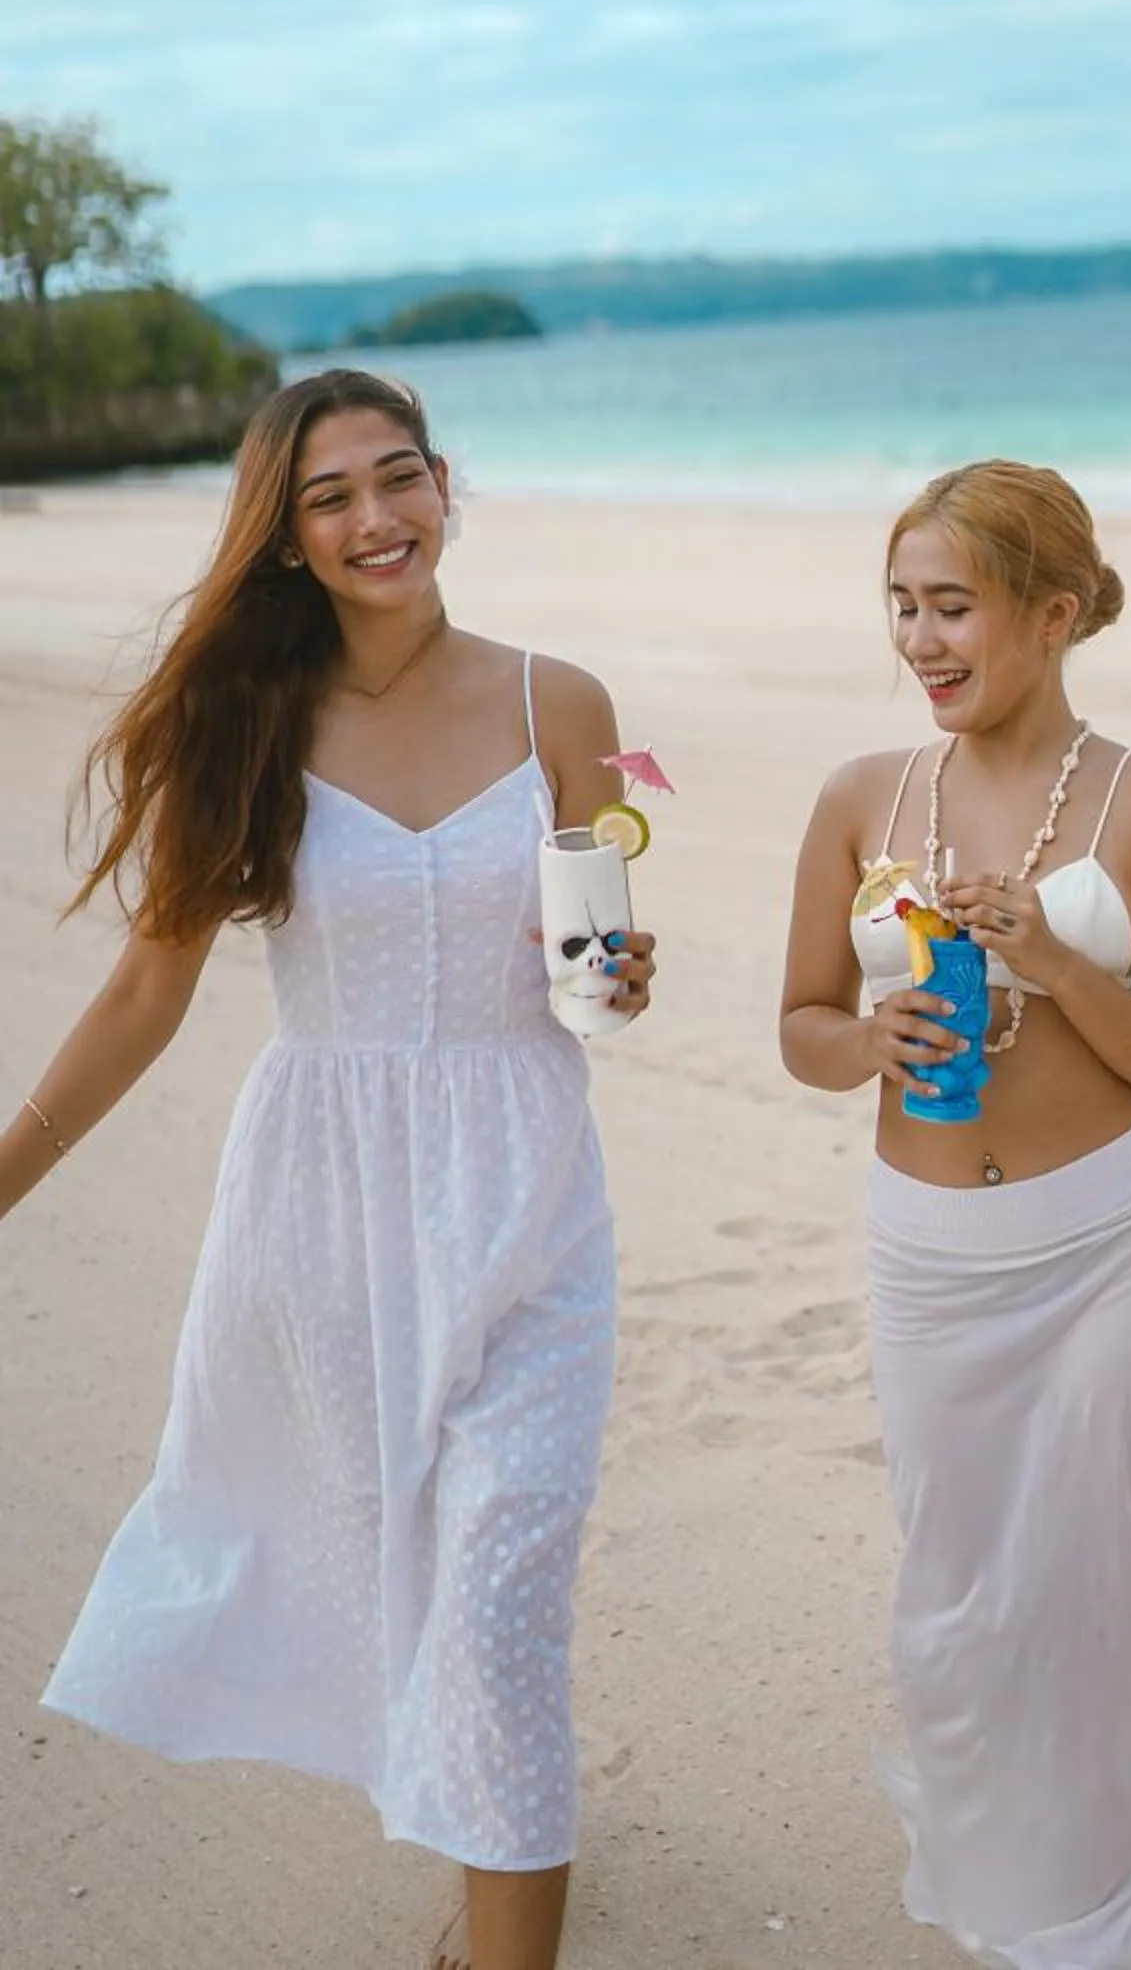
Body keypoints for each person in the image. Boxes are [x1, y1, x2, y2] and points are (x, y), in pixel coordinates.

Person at [0, 369, 657, 1970]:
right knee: (403, 1574)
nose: (378, 518)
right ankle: (488, 1844)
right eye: (332, 497)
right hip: (327, 1214)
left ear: (447, 489)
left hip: (527, 1193)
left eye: (400, 478)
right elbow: (148, 990)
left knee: (502, 1599)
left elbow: (596, 965)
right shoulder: (251, 722)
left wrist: (620, 976)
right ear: (287, 539)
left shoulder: (552, 704)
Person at [781, 460, 1131, 1970]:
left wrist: (1057, 958)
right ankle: (999, 1867)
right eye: (901, 607)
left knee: (1085, 1597)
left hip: (1117, 1247)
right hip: (930, 1258)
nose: (919, 639)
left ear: (1051, 613)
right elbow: (801, 1025)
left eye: (951, 606)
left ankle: (1086, 1925)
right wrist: (874, 1044)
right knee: (956, 1610)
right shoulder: (862, 799)